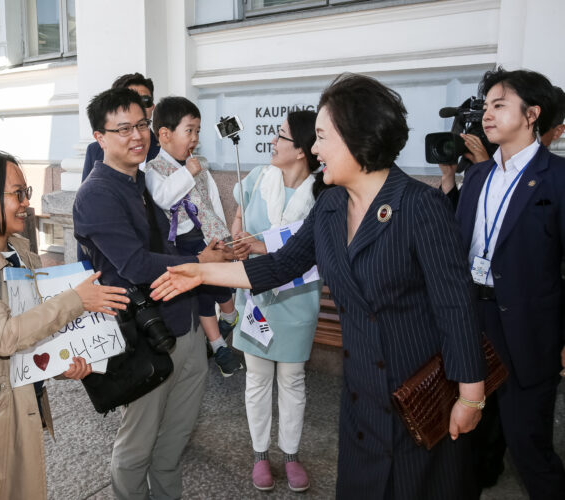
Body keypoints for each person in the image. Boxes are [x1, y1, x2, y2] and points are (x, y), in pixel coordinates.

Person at [152, 73, 487, 499]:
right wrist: (199, 272)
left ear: (356, 137)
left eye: (323, 137)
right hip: (362, 396)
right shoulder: (330, 205)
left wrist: (471, 395)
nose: (314, 149)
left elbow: (456, 306)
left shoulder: (420, 206)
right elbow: (279, 266)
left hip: (420, 397)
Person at [0, 150, 129, 500]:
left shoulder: (21, 251)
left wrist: (61, 366)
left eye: (27, 192)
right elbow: (4, 336)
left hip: (23, 399)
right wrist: (76, 300)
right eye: (17, 193)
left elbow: (35, 327)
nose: (27, 202)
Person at [72, 87, 226, 499]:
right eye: (123, 128)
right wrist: (201, 263)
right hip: (146, 338)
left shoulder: (149, 182)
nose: (137, 135)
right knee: (136, 449)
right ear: (99, 137)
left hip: (187, 325)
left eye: (141, 124)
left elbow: (173, 244)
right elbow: (136, 265)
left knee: (173, 444)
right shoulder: (97, 194)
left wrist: (208, 254)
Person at [455, 67, 565, 500]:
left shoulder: (557, 178)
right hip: (473, 320)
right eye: (486, 106)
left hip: (529, 329)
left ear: (532, 114)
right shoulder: (478, 176)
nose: (487, 115)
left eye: (499, 105)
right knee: (469, 441)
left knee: (528, 445)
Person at [228, 110, 329, 492]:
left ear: (302, 150)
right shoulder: (257, 177)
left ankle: (290, 455)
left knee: (291, 379)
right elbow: (238, 215)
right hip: (256, 297)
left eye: (282, 136)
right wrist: (238, 239)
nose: (274, 141)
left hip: (298, 300)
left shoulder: (323, 192)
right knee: (256, 379)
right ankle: (259, 455)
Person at [145, 96, 243, 377]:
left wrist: (223, 235)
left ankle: (228, 316)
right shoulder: (154, 170)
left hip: (208, 236)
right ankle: (219, 347)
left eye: (198, 131)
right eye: (189, 130)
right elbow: (163, 198)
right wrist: (187, 172)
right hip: (183, 244)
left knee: (221, 287)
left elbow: (211, 201)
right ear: (164, 134)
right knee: (201, 294)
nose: (195, 138)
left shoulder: (199, 165)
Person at [81, 73, 161, 181]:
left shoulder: (169, 149)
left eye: (145, 100)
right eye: (128, 102)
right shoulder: (94, 150)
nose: (138, 107)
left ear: (152, 107)